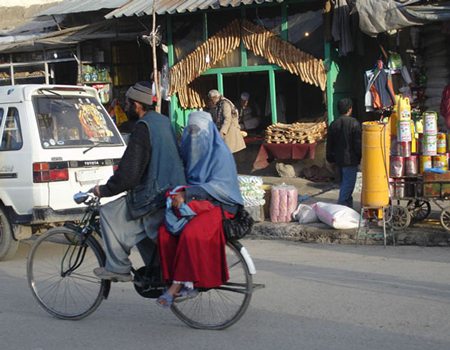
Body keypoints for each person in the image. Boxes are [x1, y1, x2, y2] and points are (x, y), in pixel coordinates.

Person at [92, 82, 186, 282]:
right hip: (172, 188)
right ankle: (156, 274)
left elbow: (130, 172)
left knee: (108, 214)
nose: (125, 107)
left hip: (154, 196)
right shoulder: (163, 121)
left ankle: (118, 267)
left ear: (137, 105)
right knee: (139, 230)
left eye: (127, 103)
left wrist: (105, 190)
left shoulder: (143, 127)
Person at [156, 111, 244, 308]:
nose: (194, 136)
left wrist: (189, 194)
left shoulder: (220, 154)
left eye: (199, 131)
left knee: (191, 234)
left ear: (209, 131)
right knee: (164, 232)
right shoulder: (187, 145)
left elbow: (220, 187)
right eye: (191, 130)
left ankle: (180, 285)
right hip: (196, 201)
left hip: (221, 203)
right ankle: (171, 278)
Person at [326, 98, 361, 209]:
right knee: (348, 186)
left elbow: (329, 144)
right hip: (350, 160)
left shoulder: (333, 124)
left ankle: (347, 208)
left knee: (344, 185)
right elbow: (358, 144)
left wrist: (330, 159)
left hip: (338, 160)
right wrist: (360, 157)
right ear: (350, 109)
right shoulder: (354, 124)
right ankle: (341, 208)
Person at [207, 89, 246, 153]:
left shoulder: (225, 104)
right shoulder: (219, 104)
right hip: (226, 130)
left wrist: (222, 132)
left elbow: (227, 119)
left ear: (215, 98)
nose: (211, 102)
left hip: (230, 131)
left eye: (211, 99)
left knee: (229, 152)